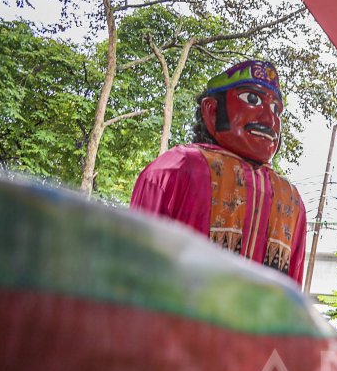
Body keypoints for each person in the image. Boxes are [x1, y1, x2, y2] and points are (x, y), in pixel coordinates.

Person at [131, 60, 306, 285]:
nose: (270, 120)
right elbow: (135, 270)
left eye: (276, 110)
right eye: (252, 100)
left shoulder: (290, 198)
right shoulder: (178, 168)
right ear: (212, 110)